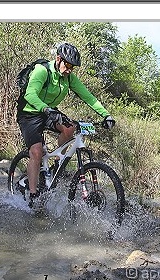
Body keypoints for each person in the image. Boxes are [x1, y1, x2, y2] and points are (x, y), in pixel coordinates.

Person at [16, 42, 115, 208]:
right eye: (67, 65)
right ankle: (33, 193)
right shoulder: (42, 71)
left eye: (72, 67)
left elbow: (88, 97)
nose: (69, 70)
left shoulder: (69, 78)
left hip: (49, 111)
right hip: (30, 113)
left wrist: (106, 115)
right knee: (36, 151)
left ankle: (57, 166)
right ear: (58, 59)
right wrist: (45, 108)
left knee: (70, 128)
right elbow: (30, 94)